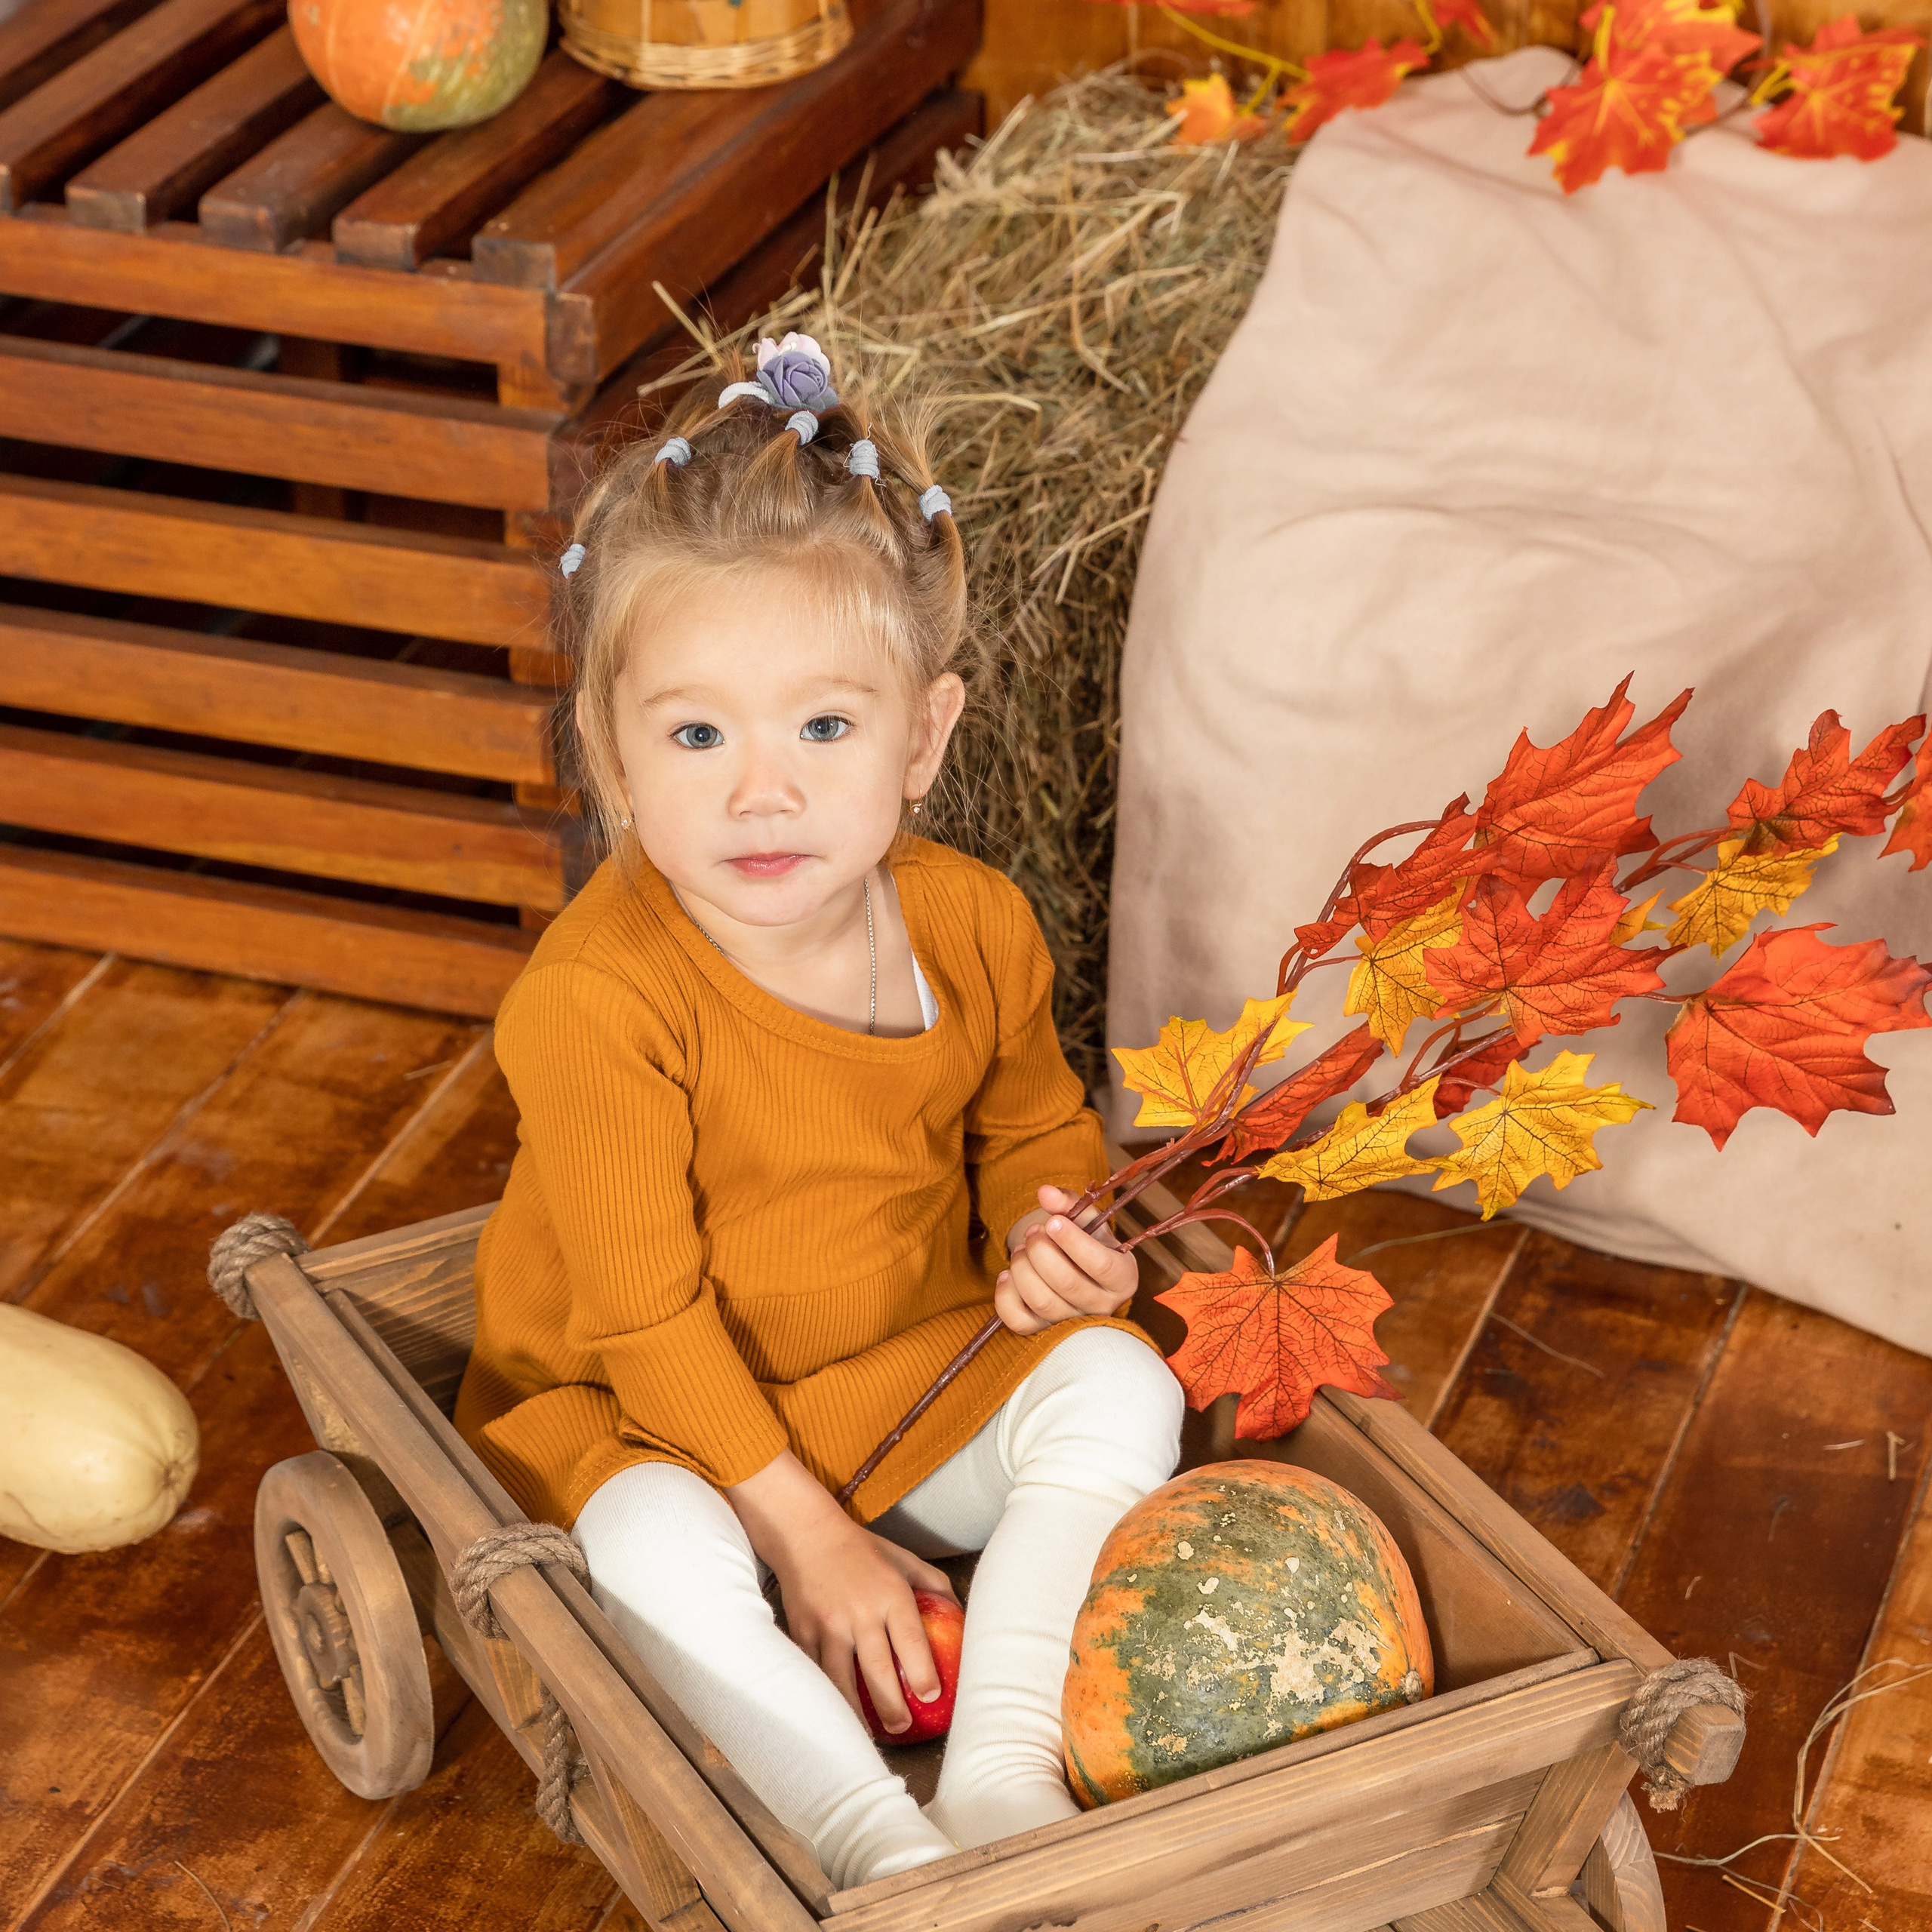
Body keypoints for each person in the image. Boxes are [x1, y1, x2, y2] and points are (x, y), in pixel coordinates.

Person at [454, 335, 1184, 1888]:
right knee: (651, 1549)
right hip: (650, 1415)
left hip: (891, 1371)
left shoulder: (971, 922)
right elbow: (643, 1318)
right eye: (697, 732)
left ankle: (996, 1775)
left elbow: (1033, 1131)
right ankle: (875, 1849)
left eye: (824, 729)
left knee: (1120, 1383)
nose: (760, 792)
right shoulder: (597, 996)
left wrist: (1059, 1242)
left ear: (920, 738)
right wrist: (809, 1536)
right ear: (611, 755)